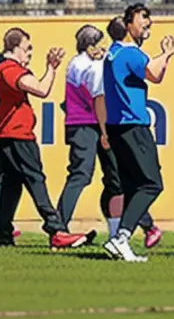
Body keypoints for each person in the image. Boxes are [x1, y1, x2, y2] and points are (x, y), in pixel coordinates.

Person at [55, 23, 159, 245]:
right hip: (92, 124)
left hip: (80, 122)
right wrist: (104, 132)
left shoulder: (76, 63)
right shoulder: (93, 67)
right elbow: (99, 99)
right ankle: (60, 227)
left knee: (113, 178)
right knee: (89, 176)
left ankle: (135, 226)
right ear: (92, 45)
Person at [0, 27, 91, 250]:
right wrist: (51, 68)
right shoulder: (9, 69)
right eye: (26, 49)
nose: (29, 54)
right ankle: (56, 229)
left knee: (11, 185)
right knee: (36, 180)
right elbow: (41, 89)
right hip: (18, 134)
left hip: (8, 134)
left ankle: (2, 233)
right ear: (14, 48)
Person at [101, 4, 174, 262]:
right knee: (151, 184)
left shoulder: (113, 52)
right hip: (133, 124)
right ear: (127, 24)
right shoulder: (130, 53)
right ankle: (121, 237)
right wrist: (167, 54)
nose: (147, 24)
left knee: (133, 185)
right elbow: (154, 74)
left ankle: (120, 239)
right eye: (142, 19)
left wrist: (162, 57)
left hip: (117, 127)